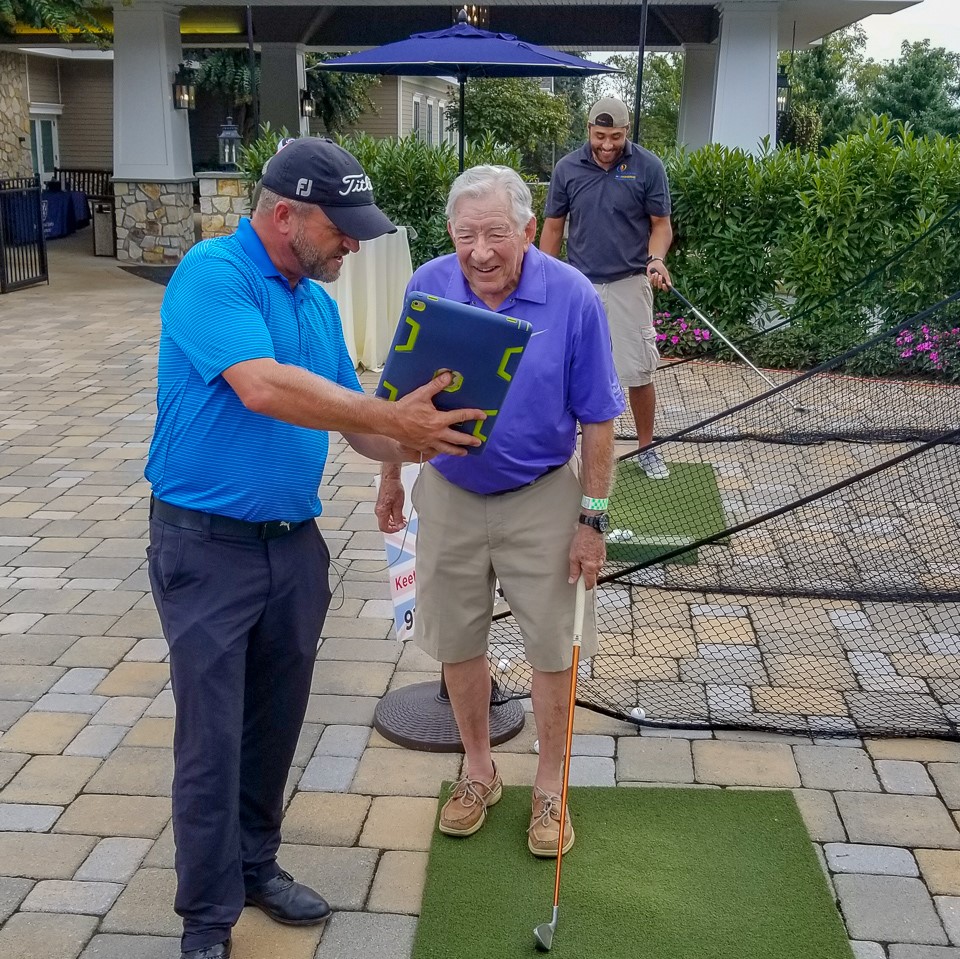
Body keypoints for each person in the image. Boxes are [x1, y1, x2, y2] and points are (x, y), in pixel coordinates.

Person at [144, 137, 485, 959]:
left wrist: (417, 439)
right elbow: (261, 386)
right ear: (284, 213)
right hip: (206, 547)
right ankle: (206, 919)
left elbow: (352, 418)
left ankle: (255, 865)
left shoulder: (314, 302)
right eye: (341, 228)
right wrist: (388, 421)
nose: (354, 244)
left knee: (273, 725)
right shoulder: (212, 274)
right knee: (212, 737)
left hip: (293, 548)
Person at [375, 166, 624, 858]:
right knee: (457, 639)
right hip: (449, 490)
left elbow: (600, 418)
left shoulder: (571, 296)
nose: (480, 251)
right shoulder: (428, 285)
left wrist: (592, 519)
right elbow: (401, 393)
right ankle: (478, 769)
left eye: (494, 233)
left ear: (525, 229)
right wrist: (391, 476)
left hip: (543, 494)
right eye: (465, 234)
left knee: (551, 646)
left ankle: (550, 783)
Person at [540, 96, 674, 479]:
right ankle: (564, 449)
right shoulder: (567, 168)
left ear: (627, 132)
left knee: (638, 371)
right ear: (588, 130)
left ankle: (647, 450)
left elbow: (660, 225)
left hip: (630, 281)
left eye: (615, 136)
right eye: (600, 136)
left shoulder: (648, 167)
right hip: (578, 285)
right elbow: (553, 227)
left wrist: (656, 259)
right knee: (565, 370)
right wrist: (543, 275)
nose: (607, 145)